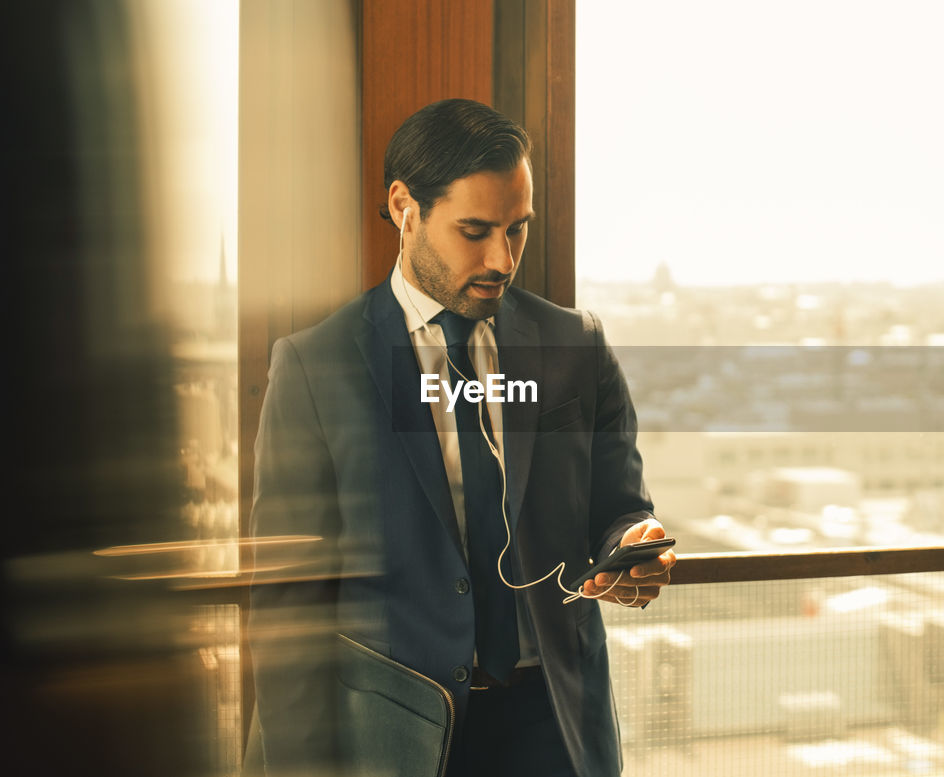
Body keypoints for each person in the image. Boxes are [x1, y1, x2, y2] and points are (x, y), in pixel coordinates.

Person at [247, 98, 676, 777]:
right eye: (474, 230)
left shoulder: (575, 346)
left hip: (554, 726)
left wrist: (633, 545)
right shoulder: (314, 366)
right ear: (402, 206)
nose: (502, 260)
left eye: (517, 230)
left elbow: (618, 505)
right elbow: (285, 607)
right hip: (395, 733)